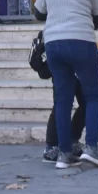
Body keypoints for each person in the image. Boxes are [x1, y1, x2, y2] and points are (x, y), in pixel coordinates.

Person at [34, 0, 98, 169]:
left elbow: (39, 13)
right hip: (81, 43)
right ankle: (92, 148)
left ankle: (64, 154)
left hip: (53, 44)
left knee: (63, 100)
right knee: (94, 96)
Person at [29, 30, 87, 163]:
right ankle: (51, 147)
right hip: (59, 51)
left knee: (87, 101)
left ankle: (71, 140)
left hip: (77, 52)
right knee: (61, 103)